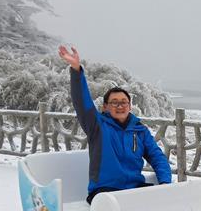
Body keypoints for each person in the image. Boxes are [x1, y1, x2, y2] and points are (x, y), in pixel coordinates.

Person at [58, 45, 172, 202]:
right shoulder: (97, 126)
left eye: (124, 102)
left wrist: (166, 182)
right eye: (114, 102)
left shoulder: (140, 130)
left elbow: (157, 156)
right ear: (105, 107)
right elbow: (81, 102)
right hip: (104, 192)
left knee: (162, 203)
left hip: (133, 188)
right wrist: (76, 70)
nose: (120, 106)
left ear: (130, 106)